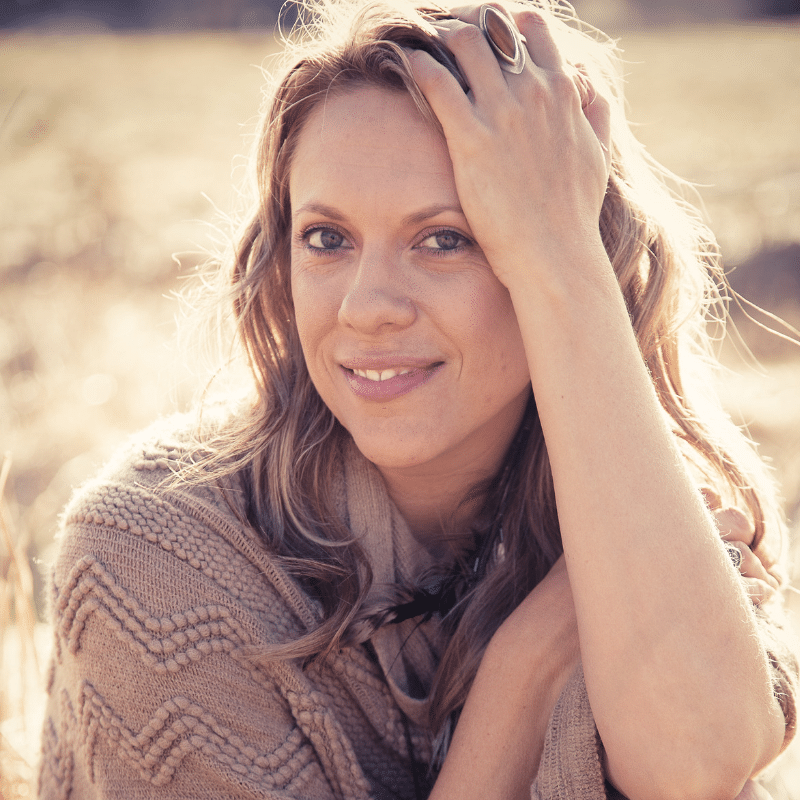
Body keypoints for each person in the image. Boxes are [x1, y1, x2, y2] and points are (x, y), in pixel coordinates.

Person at [38, 1, 798, 798]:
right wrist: (527, 668)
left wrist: (564, 260)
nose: (367, 307)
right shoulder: (151, 556)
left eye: (446, 238)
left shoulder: (665, 495)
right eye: (327, 238)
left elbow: (700, 762)